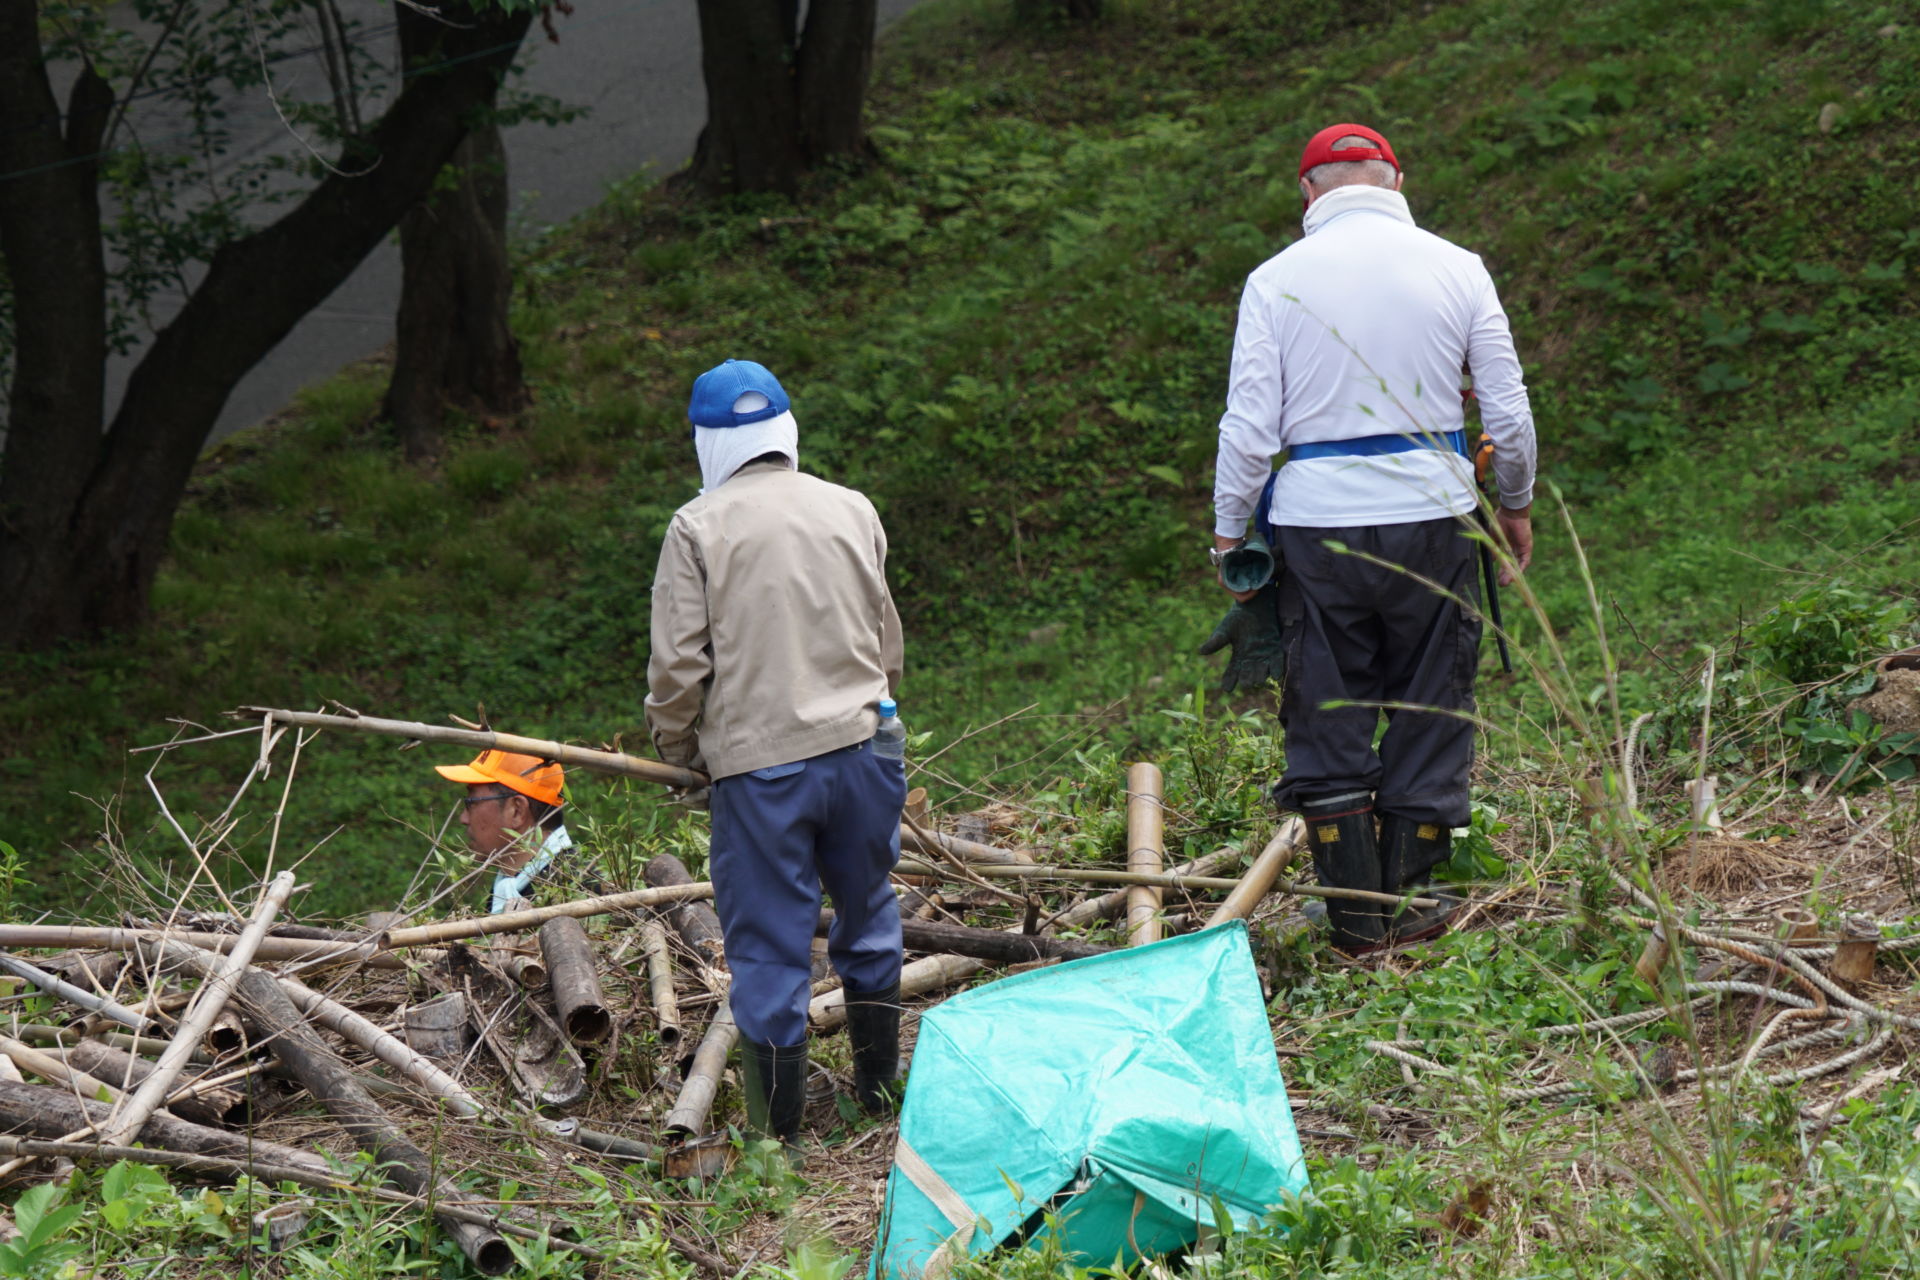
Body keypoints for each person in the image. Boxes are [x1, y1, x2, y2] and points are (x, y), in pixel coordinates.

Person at [1205, 123, 1538, 955]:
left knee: (1327, 703)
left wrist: (1228, 534)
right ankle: (1418, 905)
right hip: (1436, 513)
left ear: (1307, 192)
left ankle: (1356, 921)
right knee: (1433, 694)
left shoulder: (1275, 280)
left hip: (1316, 526)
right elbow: (1507, 410)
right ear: (1397, 180)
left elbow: (1248, 427)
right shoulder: (1457, 267)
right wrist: (1516, 502)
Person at [645, 358, 907, 1153]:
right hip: (865, 751)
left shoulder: (697, 528)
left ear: (708, 443)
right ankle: (879, 1093)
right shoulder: (850, 506)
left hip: (762, 774)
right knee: (869, 911)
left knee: (767, 948)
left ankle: (777, 1141)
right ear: (785, 431)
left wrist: (680, 749)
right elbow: (886, 639)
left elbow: (678, 668)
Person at [432, 750, 572, 913]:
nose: (463, 818)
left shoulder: (578, 894)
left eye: (471, 803)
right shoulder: (507, 889)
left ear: (516, 811)